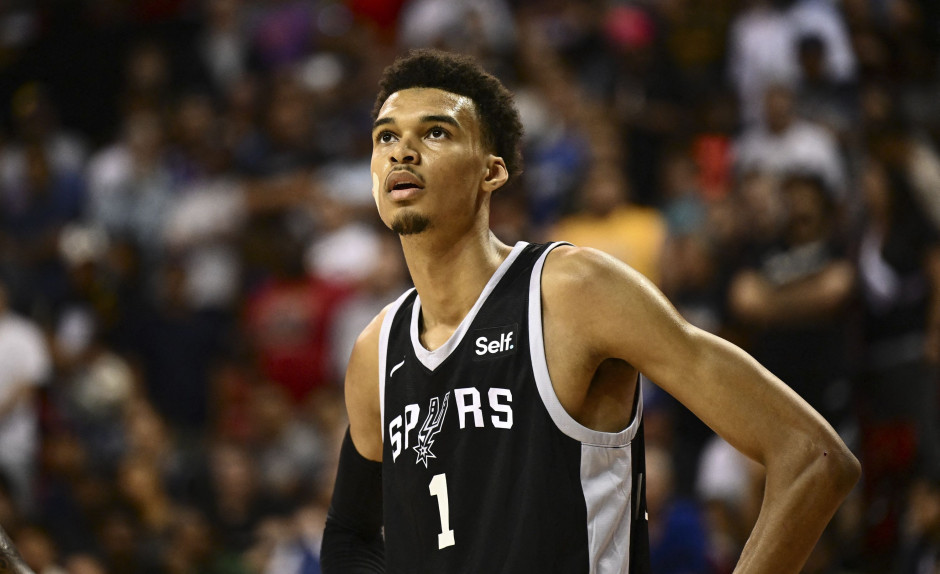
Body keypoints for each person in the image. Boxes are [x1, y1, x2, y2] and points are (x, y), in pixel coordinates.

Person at [320, 49, 859, 573]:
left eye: (435, 132)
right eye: (385, 136)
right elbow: (349, 537)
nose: (402, 152)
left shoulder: (573, 291)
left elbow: (811, 456)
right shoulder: (376, 350)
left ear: (492, 171)